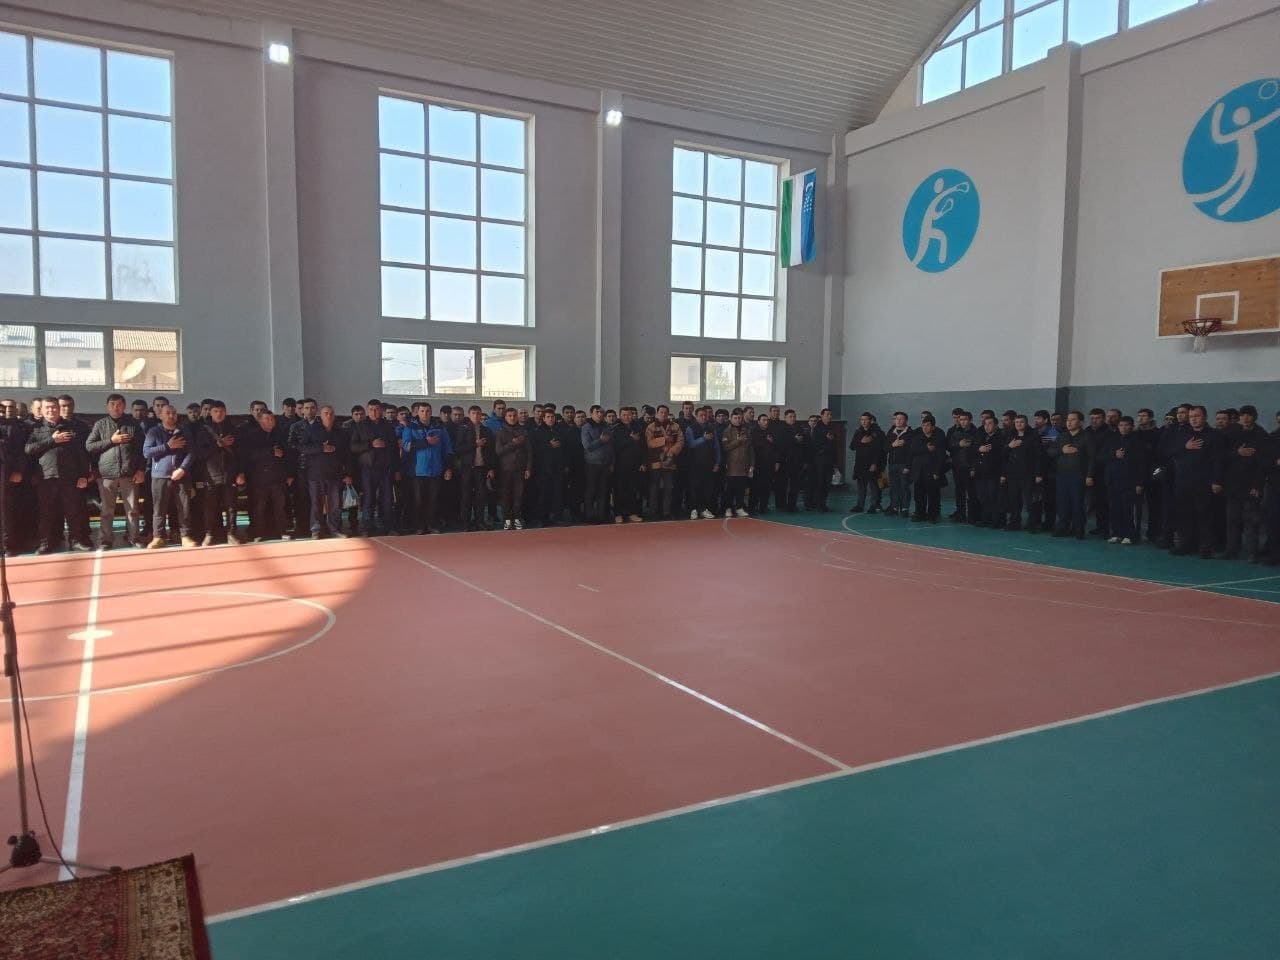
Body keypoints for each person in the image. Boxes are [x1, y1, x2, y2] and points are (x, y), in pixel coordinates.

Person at [25, 397, 93, 554]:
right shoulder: (36, 429)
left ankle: (76, 541)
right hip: (46, 478)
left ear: (59, 408)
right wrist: (53, 440)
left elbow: (81, 454)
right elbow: (29, 449)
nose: (51, 410)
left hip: (70, 478)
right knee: (47, 513)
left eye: (54, 407)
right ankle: (47, 542)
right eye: (47, 408)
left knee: (74, 511)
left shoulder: (71, 427)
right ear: (42, 410)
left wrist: (84, 475)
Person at [85, 393, 145, 549]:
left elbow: (142, 450)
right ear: (107, 406)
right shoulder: (100, 424)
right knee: (106, 510)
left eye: (119, 404)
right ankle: (105, 539)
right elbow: (89, 446)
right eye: (112, 404)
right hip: (106, 474)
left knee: (132, 509)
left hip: (129, 473)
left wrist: (140, 470)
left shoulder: (133, 424)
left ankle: (134, 537)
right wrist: (111, 441)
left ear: (124, 406)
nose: (115, 407)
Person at [1170, 405, 1224, 558]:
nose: (1193, 419)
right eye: (1191, 416)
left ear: (1205, 417)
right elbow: (1170, 452)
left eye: (1197, 416)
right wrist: (1185, 447)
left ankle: (1205, 547)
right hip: (1183, 481)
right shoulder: (1183, 434)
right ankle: (1186, 544)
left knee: (1204, 515)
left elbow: (1218, 460)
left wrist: (1216, 481)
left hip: (1204, 482)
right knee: (1184, 514)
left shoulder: (1214, 435)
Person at [142, 403, 197, 549]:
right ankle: (158, 537)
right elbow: (147, 452)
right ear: (160, 415)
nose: (171, 415)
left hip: (181, 475)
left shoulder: (184, 431)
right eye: (167, 413)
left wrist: (182, 469)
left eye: (174, 413)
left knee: (184, 507)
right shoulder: (153, 432)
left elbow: (191, 452)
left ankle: (185, 536)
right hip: (160, 476)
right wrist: (167, 446)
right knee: (159, 508)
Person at [238, 409, 294, 542]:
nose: (270, 421)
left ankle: (282, 531)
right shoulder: (251, 436)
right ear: (260, 421)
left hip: (277, 477)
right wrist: (269, 452)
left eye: (272, 419)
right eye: (267, 419)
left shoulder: (280, 435)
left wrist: (290, 474)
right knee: (258, 508)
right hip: (258, 478)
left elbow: (289, 455)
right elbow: (248, 455)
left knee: (280, 507)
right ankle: (258, 533)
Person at [1222, 405, 1268, 562]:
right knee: (1232, 521)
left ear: (1255, 417)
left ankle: (1251, 552)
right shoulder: (1231, 432)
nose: (1246, 418)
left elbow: (1263, 464)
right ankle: (1231, 550)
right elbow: (1222, 456)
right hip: (1233, 485)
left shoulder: (1261, 435)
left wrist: (1257, 486)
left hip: (1251, 486)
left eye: (1249, 415)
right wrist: (1237, 453)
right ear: (1239, 417)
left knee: (1251, 521)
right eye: (1243, 415)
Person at [400, 403, 453, 535]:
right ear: (418, 412)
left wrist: (448, 468)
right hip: (417, 471)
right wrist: (426, 442)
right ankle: (419, 526)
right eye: (422, 411)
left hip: (435, 470)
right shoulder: (410, 427)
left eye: (427, 411)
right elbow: (406, 446)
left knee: (433, 500)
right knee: (419, 500)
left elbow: (447, 449)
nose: (425, 414)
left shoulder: (439, 427)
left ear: (431, 412)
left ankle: (431, 525)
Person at [348, 399, 398, 536]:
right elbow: (353, 447)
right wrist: (370, 445)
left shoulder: (388, 426)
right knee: (368, 498)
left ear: (381, 410)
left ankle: (387, 526)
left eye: (376, 410)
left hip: (386, 468)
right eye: (371, 410)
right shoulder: (360, 426)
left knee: (386, 499)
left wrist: (396, 469)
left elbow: (394, 448)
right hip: (368, 468)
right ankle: (366, 528)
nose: (374, 412)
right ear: (367, 410)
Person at [300, 404, 351, 539]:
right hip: (316, 473)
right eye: (326, 413)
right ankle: (316, 530)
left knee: (335, 504)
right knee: (316, 503)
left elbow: (346, 454)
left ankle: (335, 529)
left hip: (335, 473)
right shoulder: (311, 430)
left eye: (331, 413)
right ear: (320, 416)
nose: (329, 416)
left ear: (334, 416)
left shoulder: (340, 432)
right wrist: (320, 448)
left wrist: (347, 473)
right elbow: (303, 448)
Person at [194, 400, 241, 545]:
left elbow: (240, 453)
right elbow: (200, 454)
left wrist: (240, 472)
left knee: (231, 506)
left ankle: (231, 533)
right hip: (210, 474)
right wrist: (217, 444)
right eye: (216, 411)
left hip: (230, 473)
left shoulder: (233, 429)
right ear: (210, 412)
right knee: (209, 507)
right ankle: (209, 534)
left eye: (221, 411)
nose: (219, 414)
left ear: (225, 412)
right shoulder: (203, 430)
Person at [1096, 416, 1147, 545]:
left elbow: (1142, 464)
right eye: (1121, 425)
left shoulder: (1137, 441)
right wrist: (1114, 455)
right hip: (1113, 480)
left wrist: (1139, 483)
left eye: (1126, 425)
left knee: (1128, 509)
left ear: (1132, 426)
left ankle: (1131, 535)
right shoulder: (1111, 440)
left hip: (1130, 481)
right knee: (1115, 508)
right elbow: (1101, 457)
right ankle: (1116, 533)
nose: (1123, 428)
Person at [1048, 411, 1091, 539]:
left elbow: (1092, 458)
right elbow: (1050, 451)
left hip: (1078, 475)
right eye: (1068, 420)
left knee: (1077, 503)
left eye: (1073, 419)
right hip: (1062, 474)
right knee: (1062, 503)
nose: (1069, 422)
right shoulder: (1062, 436)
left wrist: (1090, 475)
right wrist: (1062, 450)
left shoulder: (1086, 437)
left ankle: (1078, 530)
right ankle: (1062, 528)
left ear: (1080, 422)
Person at [455, 405, 496, 531]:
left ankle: (479, 521)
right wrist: (475, 444)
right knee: (466, 496)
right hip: (467, 468)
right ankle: (465, 523)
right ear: (469, 415)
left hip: (481, 468)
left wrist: (491, 468)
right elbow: (458, 449)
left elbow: (491, 451)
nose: (476, 416)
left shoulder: (486, 430)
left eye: (478, 413)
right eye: (473, 413)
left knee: (481, 496)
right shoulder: (463, 429)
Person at [1000, 414, 1041, 531]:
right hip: (1013, 474)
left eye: (1021, 422)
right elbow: (1003, 455)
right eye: (1017, 422)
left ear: (1026, 423)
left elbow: (1038, 457)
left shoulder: (1033, 436)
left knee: (1030, 501)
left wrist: (1038, 474)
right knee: (1014, 500)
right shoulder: (1010, 435)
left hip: (1028, 474)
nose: (1019, 424)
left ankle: (1032, 524)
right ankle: (1014, 522)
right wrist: (1009, 446)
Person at [644, 405, 684, 520]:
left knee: (668, 488)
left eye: (665, 412)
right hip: (655, 462)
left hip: (670, 461)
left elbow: (681, 441)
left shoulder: (675, 426)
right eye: (661, 412)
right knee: (654, 489)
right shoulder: (651, 427)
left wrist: (672, 452)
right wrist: (664, 440)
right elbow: (649, 443)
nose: (663, 414)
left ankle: (667, 512)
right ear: (657, 414)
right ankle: (653, 512)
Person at [494, 407, 531, 530]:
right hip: (505, 470)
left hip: (520, 469)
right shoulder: (500, 432)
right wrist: (513, 443)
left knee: (518, 495)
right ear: (505, 417)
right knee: (506, 495)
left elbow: (529, 452)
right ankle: (507, 519)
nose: (512, 418)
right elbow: (498, 451)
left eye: (514, 415)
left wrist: (528, 468)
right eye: (509, 416)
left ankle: (516, 518)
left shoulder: (523, 432)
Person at [529, 406, 565, 526]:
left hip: (558, 468)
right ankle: (542, 518)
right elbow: (534, 449)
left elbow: (565, 449)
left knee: (558, 494)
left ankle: (557, 517)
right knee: (543, 494)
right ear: (543, 418)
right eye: (548, 417)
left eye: (552, 417)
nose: (550, 419)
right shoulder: (537, 432)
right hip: (543, 469)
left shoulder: (560, 431)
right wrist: (549, 446)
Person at [684, 407, 720, 521]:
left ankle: (704, 509)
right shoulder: (690, 428)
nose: (704, 417)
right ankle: (693, 509)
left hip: (709, 463)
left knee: (707, 488)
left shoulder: (711, 428)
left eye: (705, 415)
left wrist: (717, 462)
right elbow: (691, 444)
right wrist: (703, 439)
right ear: (696, 416)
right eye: (701, 415)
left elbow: (716, 446)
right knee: (694, 488)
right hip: (694, 464)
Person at [907, 415, 945, 522]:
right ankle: (920, 514)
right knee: (919, 495)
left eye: (928, 425)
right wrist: (926, 448)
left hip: (932, 471)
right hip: (919, 471)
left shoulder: (938, 439)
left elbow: (941, 457)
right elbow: (913, 450)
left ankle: (933, 515)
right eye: (923, 425)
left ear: (933, 427)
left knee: (933, 495)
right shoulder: (917, 438)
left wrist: (937, 471)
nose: (925, 427)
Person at [611, 406, 646, 523]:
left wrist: (643, 462)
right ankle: (618, 514)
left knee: (633, 489)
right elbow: (615, 446)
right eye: (624, 415)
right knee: (619, 490)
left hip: (635, 464)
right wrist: (630, 439)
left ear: (632, 415)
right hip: (620, 464)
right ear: (620, 416)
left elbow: (643, 446)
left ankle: (632, 513)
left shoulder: (638, 427)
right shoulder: (616, 429)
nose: (627, 417)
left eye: (629, 415)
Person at [581, 405, 614, 524]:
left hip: (605, 463)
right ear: (591, 414)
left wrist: (612, 462)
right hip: (592, 464)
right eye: (597, 412)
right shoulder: (586, 427)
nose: (600, 414)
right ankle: (589, 516)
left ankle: (601, 516)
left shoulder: (607, 426)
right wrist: (600, 440)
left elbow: (611, 446)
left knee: (603, 490)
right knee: (591, 491)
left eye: (601, 412)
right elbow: (587, 446)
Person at [719, 409, 754, 518]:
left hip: (744, 465)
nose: (738, 420)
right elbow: (725, 447)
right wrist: (738, 441)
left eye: (739, 418)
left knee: (741, 489)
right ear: (731, 418)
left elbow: (751, 449)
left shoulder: (746, 431)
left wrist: (752, 464)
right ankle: (728, 508)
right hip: (731, 466)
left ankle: (739, 507)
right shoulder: (727, 431)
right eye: (735, 418)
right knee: (729, 489)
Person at [946, 411, 980, 522]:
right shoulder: (956, 432)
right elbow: (949, 446)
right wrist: (958, 444)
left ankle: (973, 515)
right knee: (959, 491)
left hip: (970, 467)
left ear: (970, 420)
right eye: (961, 420)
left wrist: (973, 468)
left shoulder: (976, 432)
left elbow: (977, 452)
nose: (963, 422)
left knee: (972, 492)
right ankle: (960, 514)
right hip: (958, 466)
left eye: (965, 419)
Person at [848, 412, 885, 514]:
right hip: (860, 463)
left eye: (866, 419)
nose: (863, 422)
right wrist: (861, 442)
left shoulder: (877, 432)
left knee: (874, 486)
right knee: (861, 486)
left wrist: (875, 463)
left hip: (872, 463)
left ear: (870, 420)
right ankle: (860, 505)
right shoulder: (858, 432)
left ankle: (874, 505)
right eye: (862, 420)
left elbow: (879, 450)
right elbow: (852, 446)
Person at [972, 414, 1005, 527]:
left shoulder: (1000, 437)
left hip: (994, 472)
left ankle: (997, 521)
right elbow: (973, 450)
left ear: (996, 425)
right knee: (983, 496)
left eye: (990, 424)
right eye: (985, 424)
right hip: (981, 472)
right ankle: (986, 519)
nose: (987, 426)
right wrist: (979, 449)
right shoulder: (981, 436)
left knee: (994, 497)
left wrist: (1003, 474)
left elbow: (1002, 456)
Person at [807, 409, 837, 512]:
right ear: (822, 416)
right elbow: (815, 444)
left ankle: (823, 503)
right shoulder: (817, 428)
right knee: (820, 482)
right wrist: (826, 439)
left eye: (830, 414)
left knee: (827, 483)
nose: (829, 416)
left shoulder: (832, 427)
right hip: (819, 460)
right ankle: (817, 503)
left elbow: (835, 444)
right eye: (827, 414)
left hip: (829, 460)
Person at [884, 412, 913, 517]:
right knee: (894, 487)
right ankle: (894, 507)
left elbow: (912, 452)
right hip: (892, 464)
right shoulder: (891, 432)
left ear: (906, 420)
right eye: (897, 419)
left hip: (904, 464)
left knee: (904, 486)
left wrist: (908, 466)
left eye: (901, 419)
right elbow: (885, 448)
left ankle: (905, 508)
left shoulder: (911, 433)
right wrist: (893, 445)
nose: (898, 421)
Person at [749, 412, 778, 515]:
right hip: (758, 463)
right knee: (756, 487)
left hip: (769, 464)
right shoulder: (754, 431)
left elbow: (776, 447)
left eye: (767, 420)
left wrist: (776, 461)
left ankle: (763, 507)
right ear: (758, 422)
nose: (766, 422)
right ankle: (752, 507)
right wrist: (766, 441)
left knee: (767, 486)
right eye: (763, 420)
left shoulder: (771, 431)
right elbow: (755, 445)